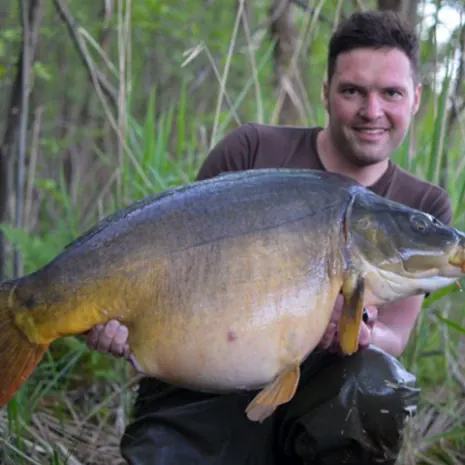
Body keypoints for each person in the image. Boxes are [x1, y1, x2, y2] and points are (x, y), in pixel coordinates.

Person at [85, 10, 453, 465]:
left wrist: (359, 329)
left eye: (391, 93)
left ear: (415, 98)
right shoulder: (252, 150)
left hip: (322, 394)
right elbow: (170, 249)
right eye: (352, 90)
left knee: (376, 380)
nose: (371, 111)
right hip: (209, 378)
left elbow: (395, 334)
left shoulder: (423, 208)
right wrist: (116, 317)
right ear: (325, 92)